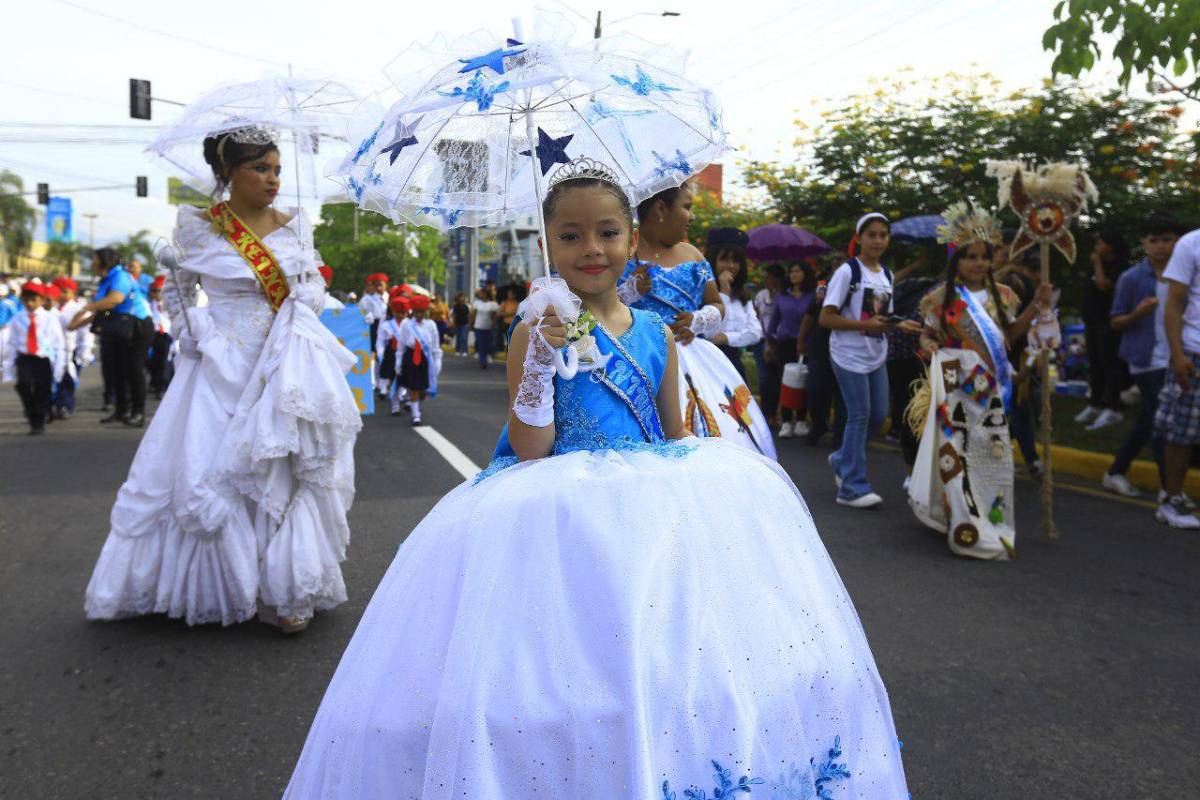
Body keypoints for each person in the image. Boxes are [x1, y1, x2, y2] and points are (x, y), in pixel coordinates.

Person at [283, 157, 908, 798]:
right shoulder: (534, 331)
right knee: (562, 684)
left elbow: (675, 436)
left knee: (671, 668)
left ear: (632, 240)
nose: (592, 249)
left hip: (655, 518)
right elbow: (530, 448)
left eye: (608, 232)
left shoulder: (657, 332)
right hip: (559, 515)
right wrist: (542, 361)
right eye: (572, 235)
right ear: (548, 243)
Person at [83, 127, 362, 631]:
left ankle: (286, 589)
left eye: (276, 169)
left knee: (286, 465)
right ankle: (222, 585)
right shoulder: (200, 227)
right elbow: (179, 292)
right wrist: (193, 335)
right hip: (218, 359)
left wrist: (309, 298)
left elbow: (314, 284)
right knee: (209, 466)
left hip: (282, 359)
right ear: (228, 173)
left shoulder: (295, 225)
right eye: (261, 169)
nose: (273, 179)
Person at [909, 202, 1055, 559]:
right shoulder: (941, 298)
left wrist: (1037, 306)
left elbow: (1011, 334)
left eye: (983, 256)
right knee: (955, 457)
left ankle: (987, 520)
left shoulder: (1003, 295)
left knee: (989, 458)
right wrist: (931, 350)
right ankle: (962, 523)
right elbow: (927, 337)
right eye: (969, 256)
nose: (977, 263)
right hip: (955, 389)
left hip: (992, 392)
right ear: (955, 261)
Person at [618, 182, 775, 458]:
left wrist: (697, 320)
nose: (692, 217)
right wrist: (630, 290)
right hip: (638, 359)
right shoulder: (621, 254)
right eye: (687, 207)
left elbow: (716, 305)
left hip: (693, 359)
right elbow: (603, 309)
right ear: (660, 209)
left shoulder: (693, 256)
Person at [820, 213, 920, 508]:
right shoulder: (848, 272)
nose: (878, 240)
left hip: (875, 354)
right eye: (872, 235)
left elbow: (881, 318)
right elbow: (827, 317)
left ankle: (841, 458)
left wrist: (898, 325)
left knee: (878, 416)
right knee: (860, 415)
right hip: (847, 355)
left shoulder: (887, 275)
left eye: (883, 235)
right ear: (859, 238)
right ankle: (852, 486)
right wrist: (869, 326)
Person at [1102, 215, 1183, 501]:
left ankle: (1115, 472)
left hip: (1177, 357)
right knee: (1164, 422)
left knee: (1150, 420)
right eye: (1154, 241)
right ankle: (1169, 488)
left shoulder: (1184, 275)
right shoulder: (1132, 278)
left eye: (1167, 240)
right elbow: (1115, 321)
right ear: (1144, 244)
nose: (1161, 247)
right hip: (1145, 359)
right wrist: (1137, 314)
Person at [69, 247, 154, 427]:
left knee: (134, 370)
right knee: (118, 371)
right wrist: (77, 325)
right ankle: (121, 410)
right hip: (119, 327)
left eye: (94, 259)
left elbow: (115, 299)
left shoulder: (120, 276)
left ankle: (138, 413)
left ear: (104, 261)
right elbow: (103, 309)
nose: (91, 262)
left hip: (137, 327)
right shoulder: (106, 279)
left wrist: (86, 307)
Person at [1154, 224, 1200, 529]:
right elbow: (1174, 303)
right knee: (1180, 433)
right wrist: (1178, 354)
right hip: (1193, 351)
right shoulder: (1191, 244)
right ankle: (1170, 500)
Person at [1077, 229, 1132, 430]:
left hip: (1109, 321)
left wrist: (1098, 264)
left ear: (1110, 245)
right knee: (1095, 363)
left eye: (1101, 242)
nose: (1097, 246)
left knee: (1110, 364)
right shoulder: (1093, 264)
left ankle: (1113, 407)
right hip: (1092, 320)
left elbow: (1103, 285)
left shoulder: (1120, 266)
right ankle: (1095, 403)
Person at [2, 282, 65, 434]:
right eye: (27, 300)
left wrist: (59, 365)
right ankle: (32, 413)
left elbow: (58, 343)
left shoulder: (49, 318)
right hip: (25, 357)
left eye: (34, 300)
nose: (30, 304)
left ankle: (38, 421)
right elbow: (12, 343)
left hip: (42, 358)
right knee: (23, 385)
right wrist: (8, 367)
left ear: (42, 300)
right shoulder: (18, 319)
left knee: (42, 389)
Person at [767, 262, 817, 438]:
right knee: (787, 381)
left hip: (806, 344)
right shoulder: (782, 295)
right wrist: (769, 343)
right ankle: (787, 421)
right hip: (785, 343)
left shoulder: (813, 296)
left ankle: (802, 420)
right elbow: (774, 320)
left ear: (806, 273)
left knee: (803, 381)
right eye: (791, 271)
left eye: (797, 271)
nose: (793, 274)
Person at [704, 227, 761, 378]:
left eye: (736, 260)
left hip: (734, 365)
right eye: (724, 259)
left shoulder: (742, 296)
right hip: (707, 364)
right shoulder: (700, 292)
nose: (730, 266)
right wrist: (722, 293)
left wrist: (727, 338)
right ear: (712, 259)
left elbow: (755, 332)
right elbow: (710, 332)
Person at [797, 278, 846, 446]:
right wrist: (801, 340)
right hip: (820, 350)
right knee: (816, 391)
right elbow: (809, 316)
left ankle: (840, 433)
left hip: (846, 352)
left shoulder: (856, 292)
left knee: (842, 396)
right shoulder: (823, 291)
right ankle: (819, 425)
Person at [396, 293, 442, 426]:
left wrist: (437, 361)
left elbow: (435, 346)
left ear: (426, 311)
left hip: (426, 357)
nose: (419, 314)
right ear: (413, 311)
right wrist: (398, 361)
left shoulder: (431, 325)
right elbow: (401, 344)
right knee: (414, 386)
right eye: (416, 311)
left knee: (423, 389)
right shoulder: (406, 324)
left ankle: (416, 404)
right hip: (411, 356)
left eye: (422, 311)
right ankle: (416, 415)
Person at [51, 277, 85, 418]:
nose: (62, 295)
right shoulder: (51, 308)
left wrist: (84, 351)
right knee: (54, 379)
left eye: (65, 291)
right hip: (54, 351)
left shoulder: (78, 309)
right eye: (59, 291)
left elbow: (85, 332)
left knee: (68, 380)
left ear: (73, 293)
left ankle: (65, 405)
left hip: (72, 351)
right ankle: (53, 405)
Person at [753, 263, 784, 416]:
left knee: (776, 378)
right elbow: (756, 316)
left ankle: (775, 412)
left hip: (778, 341)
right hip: (762, 340)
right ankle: (766, 414)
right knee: (765, 378)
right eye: (765, 278)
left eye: (769, 278)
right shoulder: (761, 295)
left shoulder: (784, 295)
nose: (766, 280)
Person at [377, 295, 409, 416]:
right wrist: (380, 354)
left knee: (404, 379)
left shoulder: (409, 325)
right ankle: (391, 398)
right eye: (398, 312)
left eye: (403, 312)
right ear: (393, 312)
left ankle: (403, 396)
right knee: (389, 375)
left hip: (405, 354)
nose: (401, 315)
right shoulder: (386, 325)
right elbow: (381, 340)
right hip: (391, 353)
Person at [146, 275, 174, 399]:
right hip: (154, 336)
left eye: (159, 290)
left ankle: (163, 388)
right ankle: (156, 385)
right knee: (153, 364)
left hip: (167, 336)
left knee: (164, 364)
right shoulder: (148, 304)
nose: (156, 294)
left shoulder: (169, 304)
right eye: (154, 291)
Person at [469, 285, 499, 368]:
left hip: (488, 327)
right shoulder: (476, 303)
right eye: (480, 293)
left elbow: (494, 316)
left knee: (487, 344)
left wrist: (493, 323)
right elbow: (473, 315)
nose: (481, 294)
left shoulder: (492, 304)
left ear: (486, 294)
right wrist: (470, 324)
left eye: (482, 293)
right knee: (481, 344)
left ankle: (486, 357)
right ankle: (483, 361)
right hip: (478, 326)